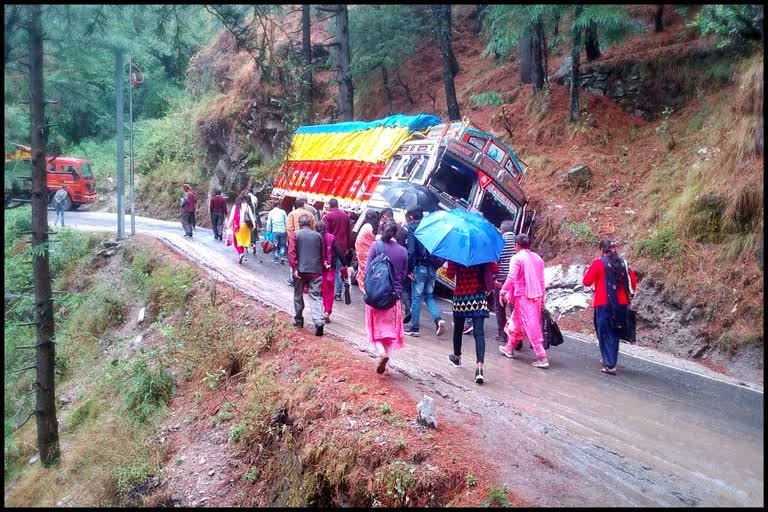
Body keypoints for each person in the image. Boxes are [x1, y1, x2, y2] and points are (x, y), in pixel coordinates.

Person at [583, 239, 637, 376]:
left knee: (604, 332)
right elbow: (633, 282)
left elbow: (587, 281)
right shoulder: (623, 263)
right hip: (622, 304)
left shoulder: (599, 263)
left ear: (602, 250)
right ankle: (607, 358)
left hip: (604, 303)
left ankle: (610, 364)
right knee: (615, 332)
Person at [499, 234, 548, 368]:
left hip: (525, 296)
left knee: (532, 325)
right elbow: (542, 280)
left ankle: (541, 356)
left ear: (516, 245)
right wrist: (542, 295)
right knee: (516, 321)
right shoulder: (537, 258)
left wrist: (503, 291)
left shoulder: (517, 258)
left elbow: (511, 277)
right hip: (536, 295)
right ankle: (509, 347)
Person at [365, 221, 408, 374]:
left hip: (376, 295)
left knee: (374, 329)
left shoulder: (376, 246)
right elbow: (402, 275)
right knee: (389, 333)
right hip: (393, 297)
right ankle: (387, 365)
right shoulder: (403, 251)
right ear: (396, 234)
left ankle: (381, 353)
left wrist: (367, 289)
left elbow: (368, 270)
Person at [446, 259, 498, 384]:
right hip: (478, 298)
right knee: (479, 334)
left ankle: (457, 357)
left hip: (461, 298)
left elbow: (449, 274)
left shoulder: (456, 255)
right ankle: (479, 369)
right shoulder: (483, 254)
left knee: (458, 329)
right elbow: (495, 270)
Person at [403, 207, 446, 337]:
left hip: (419, 266)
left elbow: (410, 251)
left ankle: (414, 327)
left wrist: (409, 269)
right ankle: (438, 320)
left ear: (411, 217)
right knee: (428, 296)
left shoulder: (412, 228)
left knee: (416, 297)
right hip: (432, 267)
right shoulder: (431, 227)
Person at [288, 214, 326, 336]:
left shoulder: (295, 235)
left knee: (298, 295)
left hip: (300, 270)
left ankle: (299, 320)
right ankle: (319, 321)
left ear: (299, 223)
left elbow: (292, 252)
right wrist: (322, 267)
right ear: (310, 224)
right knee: (316, 296)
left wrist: (294, 268)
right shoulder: (318, 236)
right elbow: (321, 254)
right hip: (315, 271)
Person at [380, 207, 411, 320]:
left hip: (387, 261)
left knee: (386, 285)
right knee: (399, 286)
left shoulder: (385, 228)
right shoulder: (403, 230)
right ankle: (407, 307)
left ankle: (386, 309)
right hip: (401, 260)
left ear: (386, 217)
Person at [316, 221, 348, 323]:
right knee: (328, 293)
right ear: (326, 228)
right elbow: (339, 252)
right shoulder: (331, 238)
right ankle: (326, 311)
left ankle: (317, 312)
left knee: (317, 292)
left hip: (316, 270)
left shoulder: (314, 238)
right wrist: (345, 264)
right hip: (330, 269)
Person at [322, 198, 352, 301]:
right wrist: (348, 247)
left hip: (331, 246)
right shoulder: (346, 216)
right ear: (338, 205)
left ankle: (328, 290)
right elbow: (349, 233)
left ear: (330, 206)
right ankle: (338, 293)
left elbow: (326, 233)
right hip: (342, 246)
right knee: (340, 269)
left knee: (329, 268)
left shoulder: (328, 216)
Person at [493, 221, 517, 344]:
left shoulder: (499, 242)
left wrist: (493, 278)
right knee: (514, 309)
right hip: (515, 282)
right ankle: (515, 337)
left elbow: (495, 261)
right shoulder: (517, 242)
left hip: (501, 280)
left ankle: (502, 334)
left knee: (499, 307)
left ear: (502, 230)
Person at [286, 198, 317, 285]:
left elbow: (289, 228)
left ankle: (292, 279)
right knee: (305, 258)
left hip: (296, 239)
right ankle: (304, 279)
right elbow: (314, 228)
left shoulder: (292, 214)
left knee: (293, 258)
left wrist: (291, 240)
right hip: (308, 240)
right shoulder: (310, 214)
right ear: (303, 205)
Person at [355, 209, 380, 293]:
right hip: (368, 250)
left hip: (362, 251)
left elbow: (359, 240)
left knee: (364, 268)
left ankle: (365, 287)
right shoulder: (374, 226)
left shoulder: (366, 226)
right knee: (368, 268)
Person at [226, 192, 255, 264]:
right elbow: (251, 216)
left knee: (237, 241)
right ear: (244, 200)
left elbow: (232, 217)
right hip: (246, 226)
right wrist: (253, 225)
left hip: (238, 226)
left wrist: (228, 226)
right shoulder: (247, 206)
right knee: (243, 240)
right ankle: (243, 250)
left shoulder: (236, 206)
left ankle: (240, 253)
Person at [266, 200, 288, 264]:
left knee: (275, 245)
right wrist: (286, 229)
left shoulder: (271, 212)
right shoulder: (283, 212)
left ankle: (276, 259)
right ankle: (282, 257)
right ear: (279, 205)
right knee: (282, 245)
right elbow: (286, 221)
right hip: (283, 231)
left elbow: (269, 223)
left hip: (275, 231)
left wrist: (268, 232)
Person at [247, 186, 262, 251]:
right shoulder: (255, 198)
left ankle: (246, 247)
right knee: (254, 233)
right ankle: (254, 245)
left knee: (247, 234)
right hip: (254, 219)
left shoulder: (245, 203)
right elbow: (256, 211)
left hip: (247, 221)